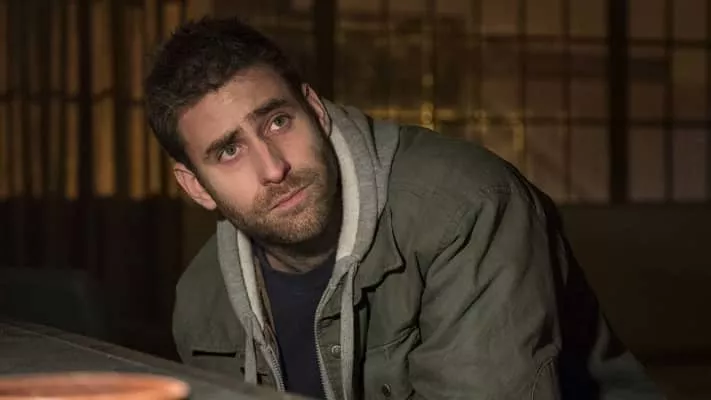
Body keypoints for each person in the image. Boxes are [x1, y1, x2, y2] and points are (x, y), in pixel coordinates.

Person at [144, 16, 665, 400]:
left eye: (278, 121)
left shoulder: (466, 209)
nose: (274, 167)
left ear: (316, 111)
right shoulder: (202, 302)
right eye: (228, 151)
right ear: (195, 186)